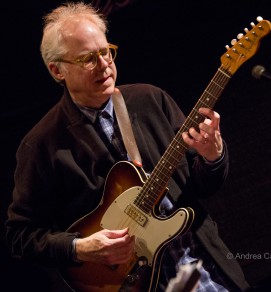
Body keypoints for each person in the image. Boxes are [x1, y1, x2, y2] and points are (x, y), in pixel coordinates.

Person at [5, 2, 250, 292]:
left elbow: (201, 187)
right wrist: (80, 248)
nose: (105, 64)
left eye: (106, 51)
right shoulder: (41, 145)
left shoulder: (150, 100)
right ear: (57, 70)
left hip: (206, 270)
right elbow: (20, 236)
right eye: (87, 59)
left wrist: (212, 157)